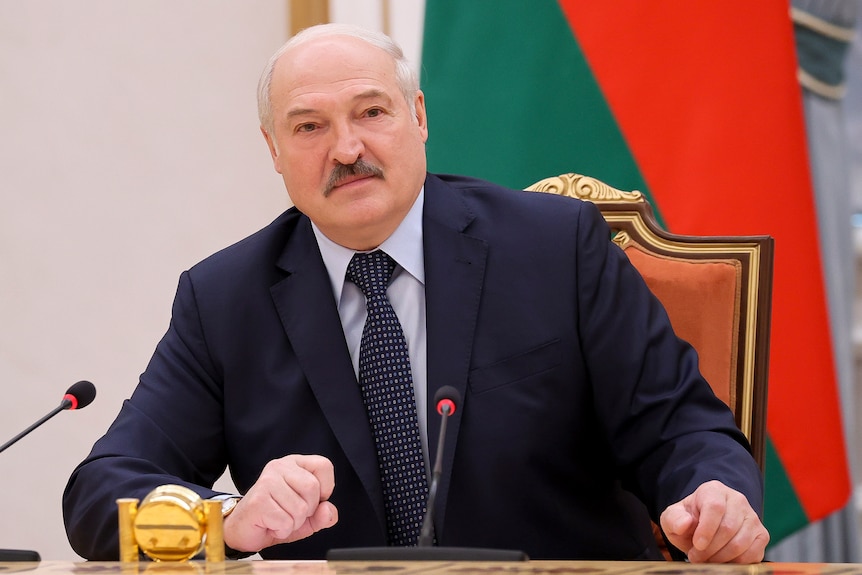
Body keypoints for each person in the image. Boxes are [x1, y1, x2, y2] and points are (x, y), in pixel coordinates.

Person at [62, 23, 769, 564]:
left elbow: (681, 426)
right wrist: (226, 518)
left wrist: (713, 497)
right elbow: (102, 491)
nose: (345, 149)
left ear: (420, 117)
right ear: (274, 151)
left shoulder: (556, 249)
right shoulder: (225, 299)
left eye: (372, 112)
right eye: (310, 126)